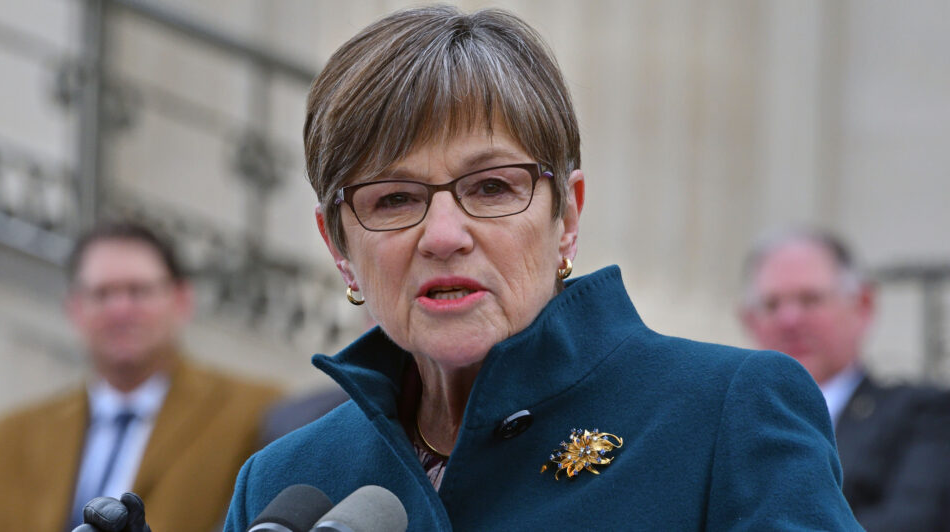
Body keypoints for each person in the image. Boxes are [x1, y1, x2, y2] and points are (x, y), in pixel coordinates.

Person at [80, 6, 861, 531]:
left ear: (568, 216)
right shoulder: (288, 478)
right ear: (337, 243)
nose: (444, 234)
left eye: (492, 187)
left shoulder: (725, 411)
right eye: (393, 198)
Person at [0, 221, 283, 532]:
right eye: (102, 293)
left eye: (138, 291)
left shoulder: (252, 413)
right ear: (75, 308)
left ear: (182, 300)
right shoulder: (9, 439)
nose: (120, 310)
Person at [739, 227, 950, 531]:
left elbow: (914, 521)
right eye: (772, 305)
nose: (789, 320)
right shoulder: (728, 423)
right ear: (750, 321)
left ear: (863, 305)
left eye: (810, 299)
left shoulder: (924, 415)